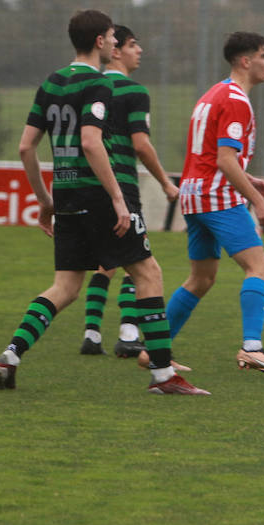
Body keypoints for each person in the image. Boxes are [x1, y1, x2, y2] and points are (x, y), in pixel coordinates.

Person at [0, 9, 208, 396]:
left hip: (67, 194)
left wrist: (45, 200)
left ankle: (10, 354)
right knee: (148, 274)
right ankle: (163, 375)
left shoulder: (52, 82)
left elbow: (26, 147)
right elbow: (91, 142)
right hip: (99, 195)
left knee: (65, 287)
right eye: (110, 36)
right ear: (99, 42)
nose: (113, 42)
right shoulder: (99, 85)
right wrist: (119, 199)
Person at [165, 31, 264, 378]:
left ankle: (155, 350)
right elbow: (224, 159)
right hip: (216, 196)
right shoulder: (236, 99)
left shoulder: (214, 93)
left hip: (193, 193)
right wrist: (259, 204)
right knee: (260, 267)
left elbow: (210, 156)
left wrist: (249, 179)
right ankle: (252, 349)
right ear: (244, 61)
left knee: (201, 278)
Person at [78, 24, 180, 359]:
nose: (141, 51)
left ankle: (92, 334)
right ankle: (130, 335)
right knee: (138, 262)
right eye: (134, 45)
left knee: (105, 262)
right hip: (121, 185)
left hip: (88, 186)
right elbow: (142, 145)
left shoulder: (90, 86)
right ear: (116, 50)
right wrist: (165, 181)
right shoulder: (134, 92)